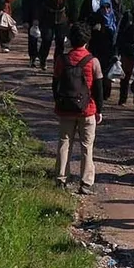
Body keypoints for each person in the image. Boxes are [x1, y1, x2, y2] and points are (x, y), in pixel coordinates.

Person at [53, 23, 105, 195]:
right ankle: (85, 182)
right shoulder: (93, 61)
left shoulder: (62, 60)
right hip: (87, 109)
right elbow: (98, 89)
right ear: (87, 40)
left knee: (64, 143)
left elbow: (55, 84)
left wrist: (58, 102)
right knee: (86, 146)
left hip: (66, 109)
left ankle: (61, 179)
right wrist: (99, 110)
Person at [38, 0, 77, 69]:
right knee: (47, 39)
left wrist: (73, 18)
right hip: (48, 16)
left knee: (60, 41)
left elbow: (72, 2)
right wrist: (36, 18)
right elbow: (38, 2)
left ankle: (57, 64)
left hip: (62, 17)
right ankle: (42, 58)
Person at [88, 9, 117, 100]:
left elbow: (114, 41)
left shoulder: (112, 26)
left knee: (106, 76)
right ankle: (97, 93)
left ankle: (105, 94)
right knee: (96, 75)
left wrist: (114, 54)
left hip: (108, 53)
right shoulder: (95, 22)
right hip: (96, 52)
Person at [22, 0, 48, 67]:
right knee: (32, 40)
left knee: (45, 39)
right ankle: (32, 58)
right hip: (31, 19)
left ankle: (41, 56)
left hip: (44, 19)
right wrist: (25, 20)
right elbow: (25, 7)